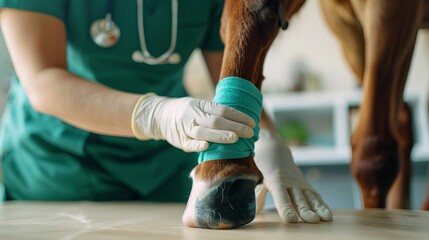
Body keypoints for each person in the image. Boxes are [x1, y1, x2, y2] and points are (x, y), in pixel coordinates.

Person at [0, 0, 332, 222]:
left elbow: (232, 74)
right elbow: (42, 80)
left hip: (166, 171)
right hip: (56, 170)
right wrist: (157, 114)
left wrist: (266, 139)